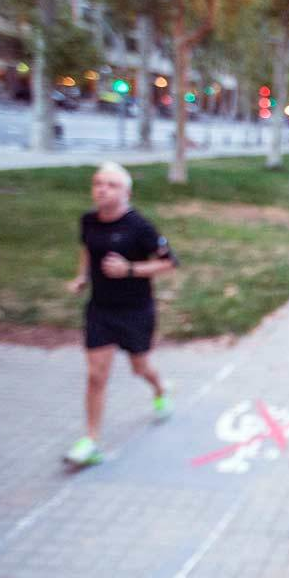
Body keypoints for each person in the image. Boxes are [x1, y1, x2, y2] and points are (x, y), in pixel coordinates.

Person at [63, 162, 178, 466]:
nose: (102, 189)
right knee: (95, 375)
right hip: (100, 309)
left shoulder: (140, 226)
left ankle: (161, 387)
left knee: (139, 367)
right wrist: (82, 277)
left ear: (126, 192)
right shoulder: (88, 221)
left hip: (135, 310)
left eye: (111, 185)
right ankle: (91, 441)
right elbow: (88, 250)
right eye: (98, 183)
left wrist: (130, 269)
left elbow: (169, 263)